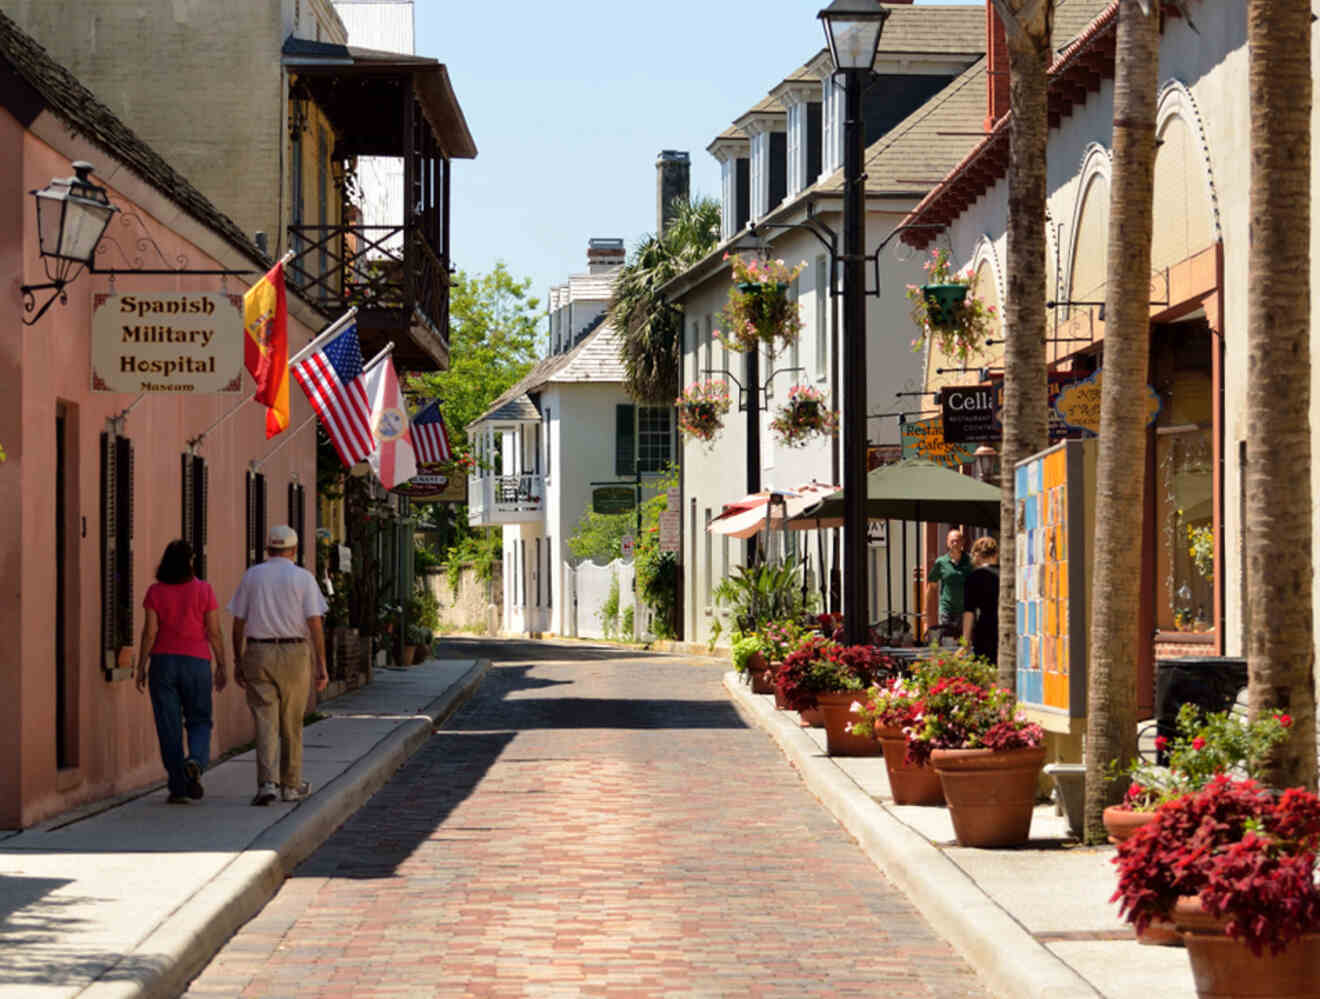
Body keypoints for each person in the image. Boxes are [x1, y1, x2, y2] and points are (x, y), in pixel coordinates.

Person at [228, 525, 328, 806]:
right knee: (291, 723)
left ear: (267, 548)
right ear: (294, 550)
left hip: (258, 651)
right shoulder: (303, 578)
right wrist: (322, 662)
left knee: (264, 721)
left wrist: (238, 658)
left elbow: (238, 622)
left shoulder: (252, 576)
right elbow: (315, 623)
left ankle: (267, 783)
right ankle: (291, 785)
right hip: (295, 652)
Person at [135, 540, 227, 804]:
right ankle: (195, 761)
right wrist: (222, 663)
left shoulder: (155, 592)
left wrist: (142, 665)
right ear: (190, 561)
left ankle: (178, 785)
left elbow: (149, 632)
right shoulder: (204, 590)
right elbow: (214, 631)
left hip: (163, 664)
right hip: (196, 663)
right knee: (199, 719)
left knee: (168, 726)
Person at [925, 529, 972, 643]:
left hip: (966, 610)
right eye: (952, 541)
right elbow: (932, 586)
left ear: (963, 542)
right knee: (948, 641)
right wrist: (927, 610)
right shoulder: (941, 562)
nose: (955, 544)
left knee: (965, 642)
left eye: (957, 541)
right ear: (947, 543)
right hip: (947, 609)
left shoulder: (970, 561)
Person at [962, 535, 1000, 664]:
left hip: (985, 631)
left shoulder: (974, 577)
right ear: (996, 554)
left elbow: (969, 612)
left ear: (977, 555)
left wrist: (965, 642)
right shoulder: (1008, 574)